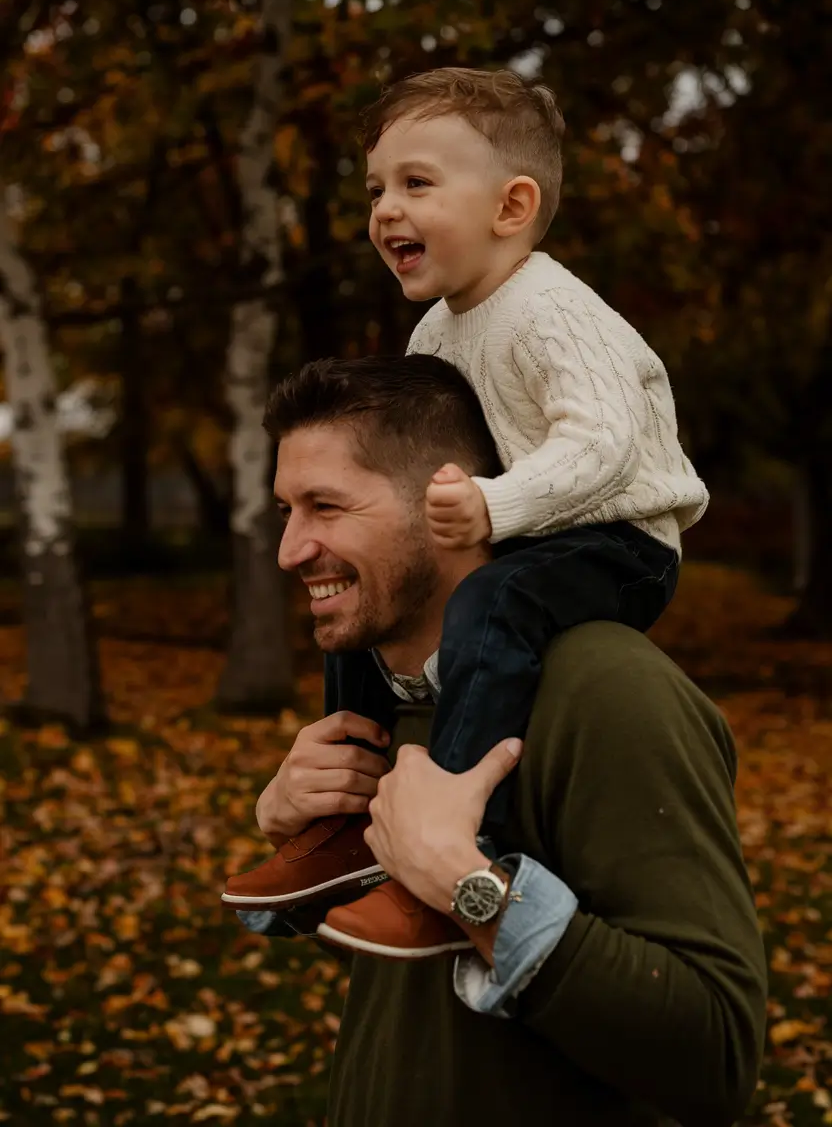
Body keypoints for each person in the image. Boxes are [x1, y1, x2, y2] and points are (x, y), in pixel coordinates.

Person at [222, 67, 709, 954]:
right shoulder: (438, 332)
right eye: (376, 189)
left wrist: (492, 505)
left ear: (512, 206)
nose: (384, 210)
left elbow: (602, 447)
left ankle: (454, 850)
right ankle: (349, 817)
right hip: (530, 532)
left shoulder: (552, 311)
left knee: (490, 604)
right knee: (364, 624)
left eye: (416, 183)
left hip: (621, 537)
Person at [232, 354, 767, 1127]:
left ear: (452, 500)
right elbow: (421, 981)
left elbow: (716, 1054)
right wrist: (319, 847)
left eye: (325, 506)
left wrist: (470, 886)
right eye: (286, 509)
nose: (291, 549)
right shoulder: (399, 701)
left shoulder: (608, 690)